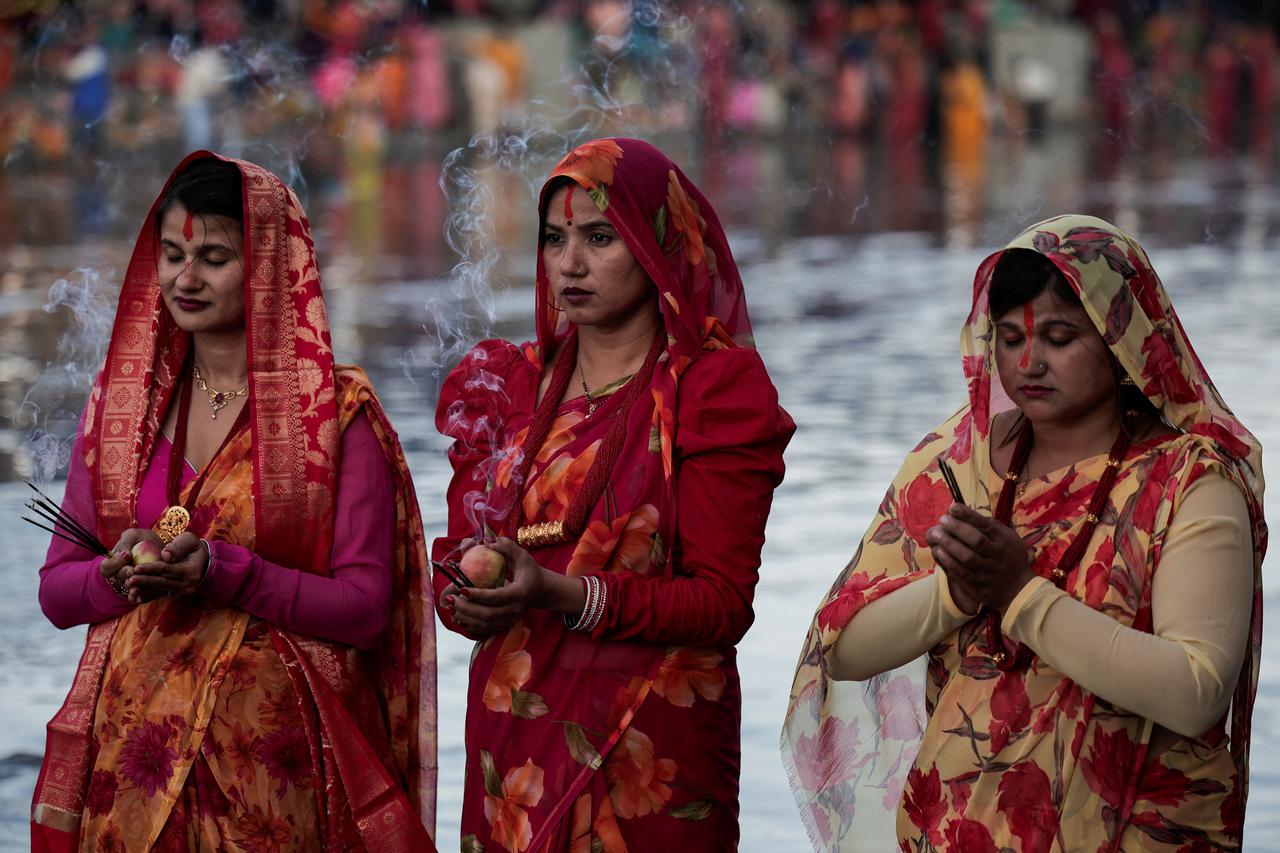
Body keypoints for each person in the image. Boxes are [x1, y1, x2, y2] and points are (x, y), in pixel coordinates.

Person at [783, 215, 1265, 851]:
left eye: (1060, 338)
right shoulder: (959, 463)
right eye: (1009, 338)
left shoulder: (1189, 485)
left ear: (1124, 345)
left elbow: (1196, 692)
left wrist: (1018, 591)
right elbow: (841, 650)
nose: (1029, 361)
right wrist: (955, 595)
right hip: (960, 830)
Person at [31, 153, 437, 851]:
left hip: (272, 778)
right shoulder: (122, 408)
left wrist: (225, 572)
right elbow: (57, 593)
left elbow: (366, 609)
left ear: (269, 268)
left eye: (213, 256)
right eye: (173, 254)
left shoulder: (336, 418)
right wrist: (113, 575)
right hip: (133, 769)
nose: (186, 278)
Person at [433, 137, 794, 851]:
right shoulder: (507, 388)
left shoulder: (713, 392)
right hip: (514, 758)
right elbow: (455, 571)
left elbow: (723, 603)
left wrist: (562, 593)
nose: (570, 263)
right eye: (555, 239)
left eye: (601, 237)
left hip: (649, 754)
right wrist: (465, 594)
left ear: (658, 244)